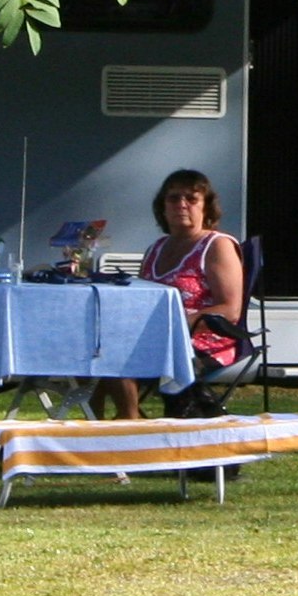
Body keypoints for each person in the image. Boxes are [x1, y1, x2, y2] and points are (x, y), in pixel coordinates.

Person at [111, 168, 248, 420]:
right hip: (156, 338)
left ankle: (129, 424)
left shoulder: (217, 245)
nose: (181, 205)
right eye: (173, 198)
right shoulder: (157, 248)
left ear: (206, 207)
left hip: (206, 340)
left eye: (191, 198)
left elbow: (230, 309)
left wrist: (178, 325)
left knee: (119, 354)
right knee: (97, 351)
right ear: (162, 207)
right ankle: (100, 429)